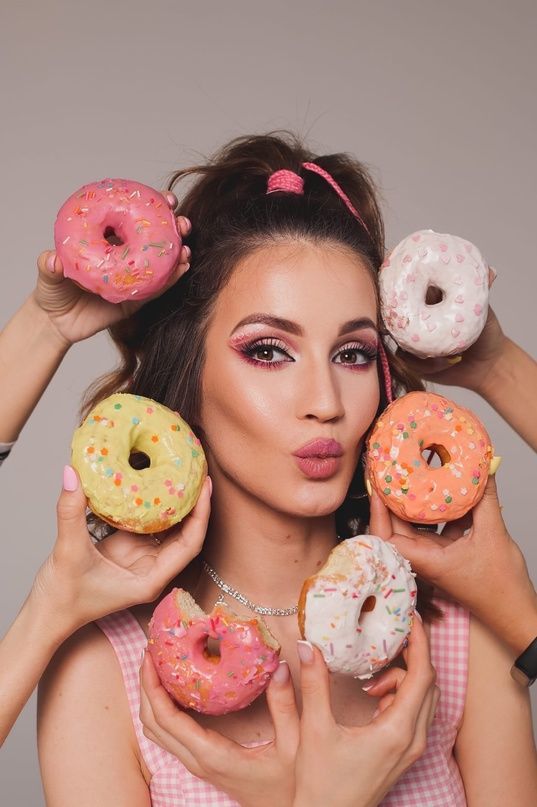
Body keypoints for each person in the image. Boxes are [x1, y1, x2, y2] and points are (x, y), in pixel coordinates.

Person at [37, 133, 537, 806]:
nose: (325, 404)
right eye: (269, 350)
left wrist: (498, 362)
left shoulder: (454, 636)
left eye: (353, 354)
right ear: (189, 373)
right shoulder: (107, 669)